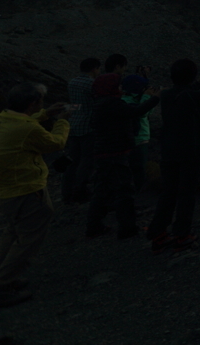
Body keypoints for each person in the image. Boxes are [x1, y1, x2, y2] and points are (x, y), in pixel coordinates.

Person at [147, 59, 200, 253]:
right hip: (190, 152)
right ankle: (182, 234)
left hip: (168, 152)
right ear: (192, 76)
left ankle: (158, 232)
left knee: (168, 193)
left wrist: (198, 83)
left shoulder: (167, 95)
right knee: (186, 194)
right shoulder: (196, 96)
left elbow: (183, 93)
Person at [0, 83, 70, 308]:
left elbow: (24, 123)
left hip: (7, 190)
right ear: (32, 104)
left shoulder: (3, 118)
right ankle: (1, 285)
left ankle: (3, 274)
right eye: (40, 102)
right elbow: (56, 143)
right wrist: (62, 121)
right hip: (27, 190)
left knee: (13, 233)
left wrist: (46, 113)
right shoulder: (29, 130)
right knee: (29, 239)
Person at [86, 74, 161, 239]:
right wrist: (154, 98)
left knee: (102, 189)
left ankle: (93, 226)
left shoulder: (100, 102)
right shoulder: (112, 104)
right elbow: (137, 111)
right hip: (115, 153)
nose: (121, 89)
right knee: (124, 190)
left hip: (103, 152)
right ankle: (127, 228)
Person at [63, 58, 102, 203]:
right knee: (87, 161)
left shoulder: (72, 82)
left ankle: (66, 192)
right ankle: (80, 191)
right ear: (94, 69)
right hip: (88, 126)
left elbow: (75, 105)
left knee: (72, 161)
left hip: (74, 124)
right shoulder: (92, 84)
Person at [121, 74, 158, 195]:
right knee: (138, 169)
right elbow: (141, 112)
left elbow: (148, 111)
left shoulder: (130, 99)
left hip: (139, 138)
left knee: (137, 169)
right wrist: (147, 97)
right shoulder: (126, 101)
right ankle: (136, 194)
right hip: (138, 139)